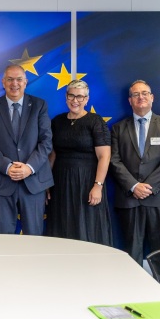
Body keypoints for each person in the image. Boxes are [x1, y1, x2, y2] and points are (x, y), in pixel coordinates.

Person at [110, 80, 160, 283]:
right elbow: (114, 161)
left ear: (152, 97)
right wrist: (134, 186)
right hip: (129, 199)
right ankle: (133, 293)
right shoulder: (118, 128)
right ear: (130, 100)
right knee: (131, 252)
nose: (141, 97)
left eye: (145, 93)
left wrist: (148, 187)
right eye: (136, 94)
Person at [0, 65, 53, 235]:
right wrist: (7, 166)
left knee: (34, 237)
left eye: (19, 79)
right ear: (3, 82)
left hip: (33, 182)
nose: (15, 83)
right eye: (10, 79)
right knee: (3, 239)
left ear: (25, 82)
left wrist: (29, 167)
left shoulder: (39, 105)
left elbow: (46, 141)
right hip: (2, 182)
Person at [47, 79, 113, 244]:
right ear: (66, 97)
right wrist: (46, 184)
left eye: (80, 97)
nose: (75, 100)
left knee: (86, 227)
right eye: (71, 96)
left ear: (86, 99)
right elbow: (52, 155)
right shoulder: (57, 122)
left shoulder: (95, 121)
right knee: (61, 227)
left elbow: (104, 156)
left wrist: (98, 186)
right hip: (60, 183)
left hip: (87, 183)